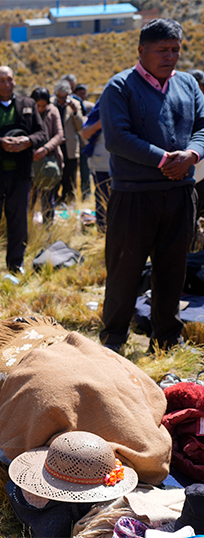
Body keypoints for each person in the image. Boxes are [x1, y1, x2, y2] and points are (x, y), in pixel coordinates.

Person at [99, 18, 204, 354]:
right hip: (134, 195)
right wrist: (165, 160)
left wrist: (191, 155)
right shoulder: (120, 87)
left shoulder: (188, 85)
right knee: (124, 270)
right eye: (162, 49)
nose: (170, 56)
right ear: (141, 50)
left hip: (180, 193)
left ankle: (165, 340)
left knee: (173, 269)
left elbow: (203, 127)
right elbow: (117, 137)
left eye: (175, 49)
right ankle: (114, 340)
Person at [0, 66, 47, 274]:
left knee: (19, 220)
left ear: (15, 81)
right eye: (1, 80)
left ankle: (16, 263)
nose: (6, 84)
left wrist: (28, 141)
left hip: (20, 173)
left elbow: (42, 133)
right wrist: (0, 143)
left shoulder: (28, 104)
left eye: (10, 80)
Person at [30, 87, 65, 223]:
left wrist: (45, 149)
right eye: (37, 106)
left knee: (47, 198)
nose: (40, 109)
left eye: (43, 106)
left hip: (49, 161)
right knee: (29, 197)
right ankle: (28, 230)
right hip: (31, 161)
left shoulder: (53, 111)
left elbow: (59, 135)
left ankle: (47, 229)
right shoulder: (26, 112)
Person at [80, 99, 110, 232]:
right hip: (101, 164)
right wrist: (99, 123)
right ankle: (102, 234)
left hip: (126, 165)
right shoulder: (102, 105)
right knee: (102, 201)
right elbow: (85, 133)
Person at [53, 81, 84, 204]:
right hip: (55, 146)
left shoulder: (75, 104)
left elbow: (81, 127)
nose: (61, 100)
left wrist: (75, 112)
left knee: (69, 177)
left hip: (69, 147)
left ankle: (69, 203)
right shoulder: (51, 104)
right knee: (55, 176)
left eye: (64, 97)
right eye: (59, 97)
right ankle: (54, 201)